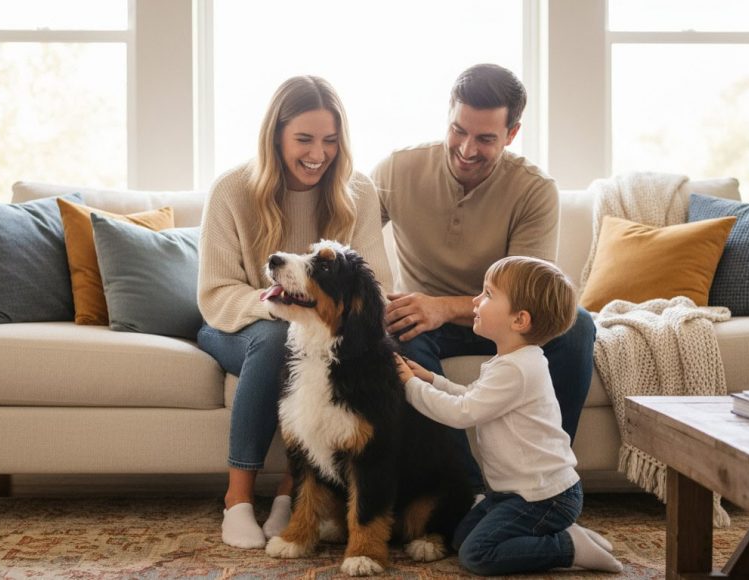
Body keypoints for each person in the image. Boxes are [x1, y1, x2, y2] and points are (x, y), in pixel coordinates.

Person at [372, 63, 596, 491]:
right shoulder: (396, 171)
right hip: (427, 326)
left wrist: (442, 306)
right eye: (459, 131)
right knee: (400, 330)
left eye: (486, 138)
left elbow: (531, 298)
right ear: (449, 116)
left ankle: (547, 483)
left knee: (577, 326)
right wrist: (384, 298)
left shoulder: (534, 189)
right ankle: (468, 491)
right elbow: (352, 241)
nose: (467, 149)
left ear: (511, 134)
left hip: (506, 319)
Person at [197, 76, 393, 549]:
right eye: (304, 139)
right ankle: (238, 501)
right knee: (274, 342)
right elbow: (215, 292)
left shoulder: (358, 191)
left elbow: (377, 285)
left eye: (329, 141)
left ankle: (291, 495)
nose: (317, 154)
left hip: (311, 327)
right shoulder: (232, 189)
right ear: (277, 136)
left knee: (340, 349)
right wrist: (284, 310)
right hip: (236, 323)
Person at [395, 256, 622, 576]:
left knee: (477, 555)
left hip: (546, 498)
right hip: (513, 495)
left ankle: (568, 547)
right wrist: (432, 380)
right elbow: (475, 396)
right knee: (461, 537)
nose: (475, 300)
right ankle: (562, 534)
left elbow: (462, 413)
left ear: (520, 320)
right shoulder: (510, 362)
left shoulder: (517, 369)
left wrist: (410, 386)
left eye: (487, 294)